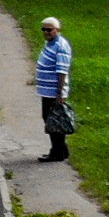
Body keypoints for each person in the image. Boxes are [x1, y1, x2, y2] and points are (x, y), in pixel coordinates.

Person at [36, 16, 74, 162]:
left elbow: (62, 71)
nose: (46, 32)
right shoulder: (51, 44)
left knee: (54, 122)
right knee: (50, 120)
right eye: (44, 29)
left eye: (49, 29)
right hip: (47, 91)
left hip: (54, 92)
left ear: (57, 30)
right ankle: (60, 150)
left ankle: (57, 152)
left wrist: (60, 93)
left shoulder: (61, 46)